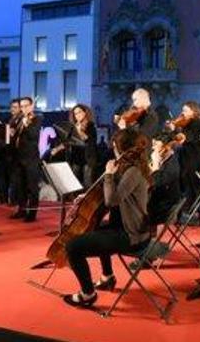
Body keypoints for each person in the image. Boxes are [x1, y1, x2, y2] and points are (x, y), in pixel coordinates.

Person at [62, 129, 152, 307]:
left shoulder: (133, 171)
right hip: (127, 228)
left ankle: (87, 294)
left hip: (132, 236)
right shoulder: (133, 167)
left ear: (121, 149)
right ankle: (107, 277)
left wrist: (109, 174)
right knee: (94, 227)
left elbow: (112, 200)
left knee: (72, 247)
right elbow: (111, 196)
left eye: (115, 147)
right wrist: (86, 197)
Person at [167, 101, 200, 225]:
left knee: (194, 186)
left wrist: (176, 130)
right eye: (182, 110)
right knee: (183, 185)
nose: (182, 113)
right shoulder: (185, 123)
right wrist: (174, 129)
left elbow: (186, 139)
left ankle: (199, 215)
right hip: (186, 157)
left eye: (185, 110)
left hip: (195, 158)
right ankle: (181, 215)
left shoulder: (197, 123)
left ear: (193, 111)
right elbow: (178, 140)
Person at [11, 97, 42, 222]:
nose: (23, 108)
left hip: (31, 157)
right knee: (20, 186)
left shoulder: (37, 118)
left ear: (31, 106)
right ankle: (21, 210)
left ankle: (32, 213)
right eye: (21, 106)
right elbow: (16, 136)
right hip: (18, 156)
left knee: (32, 187)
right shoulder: (18, 119)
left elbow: (34, 135)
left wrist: (26, 124)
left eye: (25, 106)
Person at [51, 104, 98, 188]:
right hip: (76, 158)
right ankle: (75, 200)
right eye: (75, 113)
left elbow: (87, 139)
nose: (77, 115)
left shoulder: (91, 125)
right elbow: (68, 141)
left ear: (85, 113)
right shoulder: (73, 127)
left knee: (88, 183)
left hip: (88, 159)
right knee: (74, 183)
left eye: (79, 112)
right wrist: (57, 149)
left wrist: (79, 131)